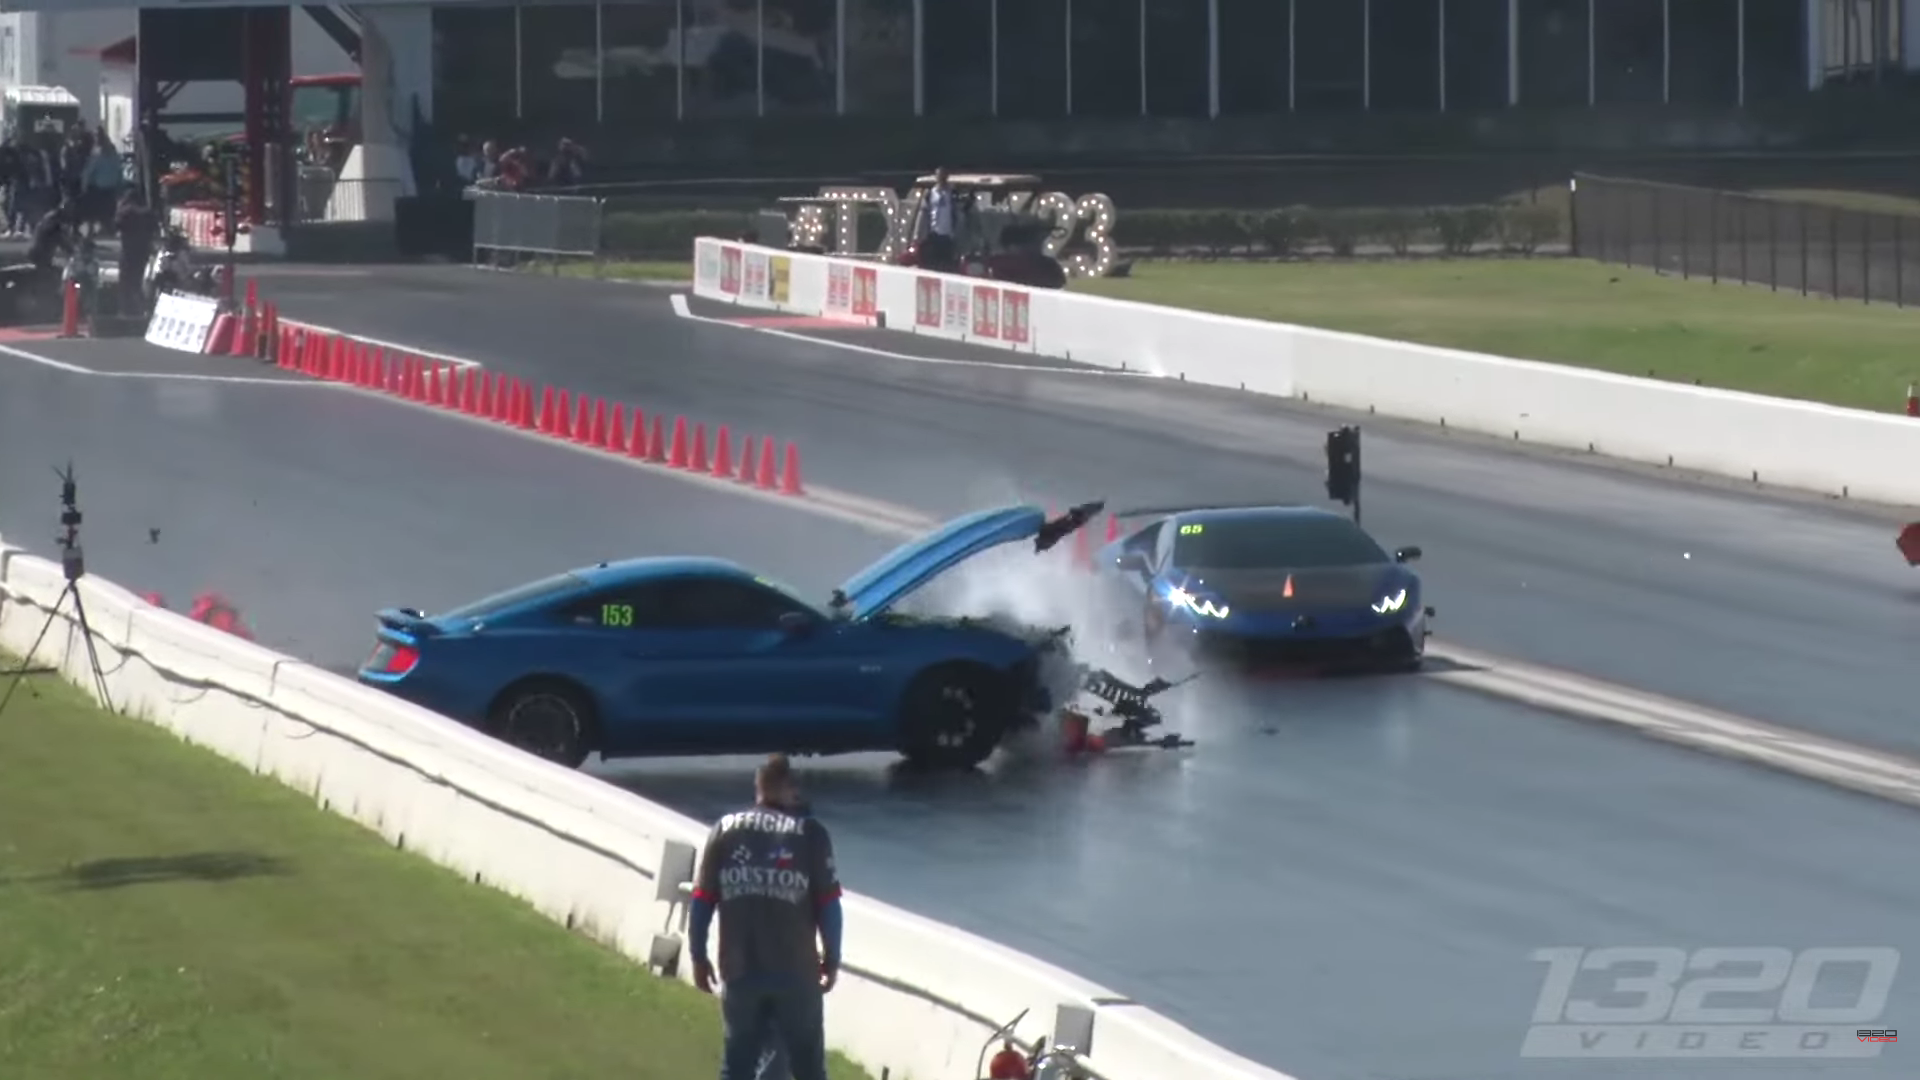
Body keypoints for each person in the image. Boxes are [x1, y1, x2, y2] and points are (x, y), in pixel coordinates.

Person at [690, 754, 841, 1080]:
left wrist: (698, 955)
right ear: (789, 789)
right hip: (796, 973)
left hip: (740, 971)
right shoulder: (811, 833)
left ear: (758, 787)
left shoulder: (725, 830)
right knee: (809, 1068)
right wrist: (832, 957)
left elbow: (701, 900)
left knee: (737, 1065)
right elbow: (829, 905)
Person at [919, 166, 956, 271]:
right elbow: (925, 213)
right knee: (934, 264)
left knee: (947, 264)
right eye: (939, 176)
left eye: (943, 176)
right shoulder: (931, 193)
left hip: (948, 235)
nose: (941, 179)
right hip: (934, 234)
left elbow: (956, 212)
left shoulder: (951, 193)